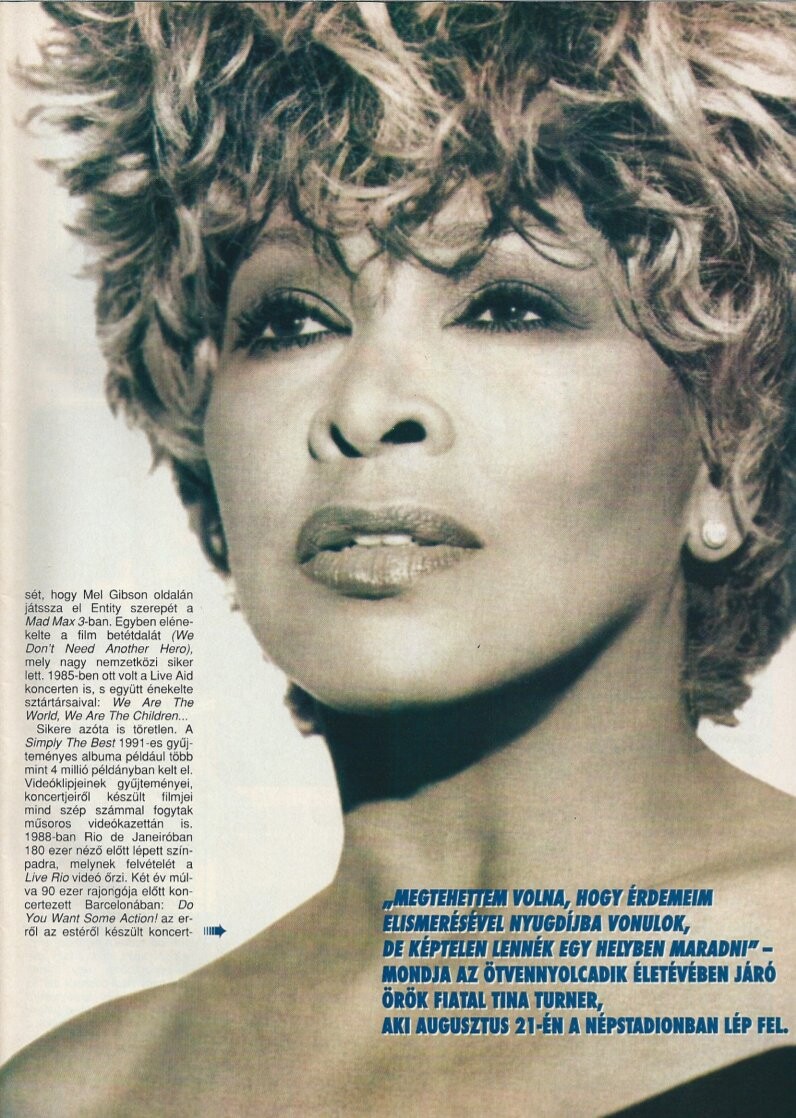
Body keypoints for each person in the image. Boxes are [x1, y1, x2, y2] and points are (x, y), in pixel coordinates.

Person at [2, 2, 794, 1114]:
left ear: (729, 454)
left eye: (507, 306)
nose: (367, 406)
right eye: (290, 322)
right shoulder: (81, 1095)